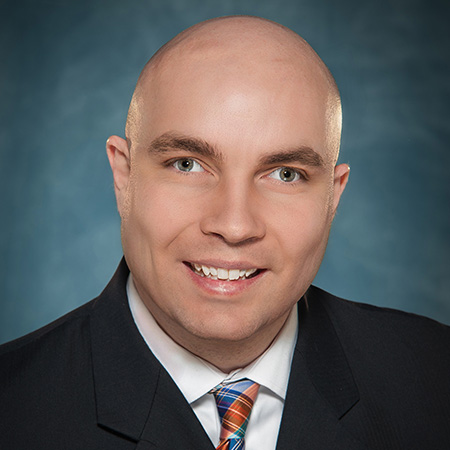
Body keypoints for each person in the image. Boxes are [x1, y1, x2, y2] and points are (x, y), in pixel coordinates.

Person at [1, 15, 449, 450]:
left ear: (332, 198)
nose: (234, 226)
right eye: (187, 164)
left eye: (285, 174)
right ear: (124, 177)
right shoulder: (14, 408)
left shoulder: (434, 379)